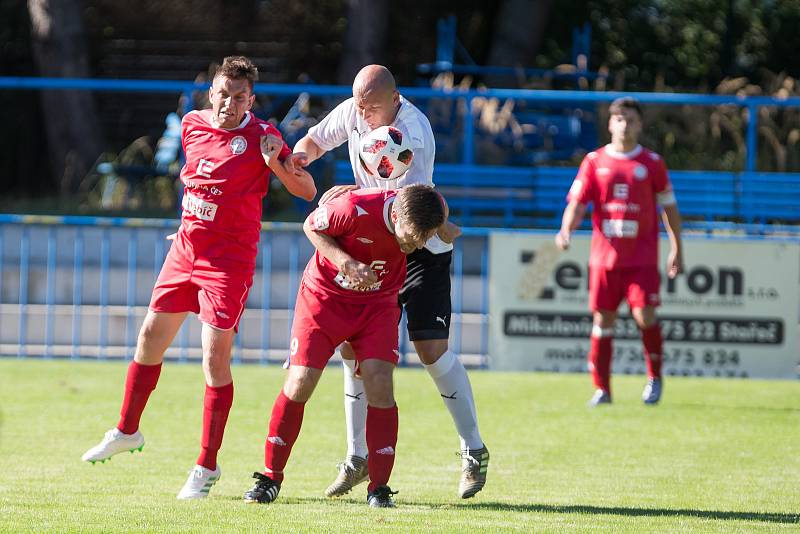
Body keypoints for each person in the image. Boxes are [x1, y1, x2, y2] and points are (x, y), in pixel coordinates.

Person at [81, 56, 316, 499]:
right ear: (212, 92)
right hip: (185, 249)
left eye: (240, 96)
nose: (229, 103)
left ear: (251, 99)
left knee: (214, 358)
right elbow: (199, 184)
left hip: (228, 263)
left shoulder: (264, 136)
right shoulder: (192, 124)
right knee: (150, 337)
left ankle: (207, 466)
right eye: (223, 93)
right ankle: (127, 430)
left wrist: (276, 164)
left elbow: (307, 191)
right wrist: (191, 222)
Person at [287, 64, 489, 499]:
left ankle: (473, 449)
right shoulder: (356, 110)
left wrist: (346, 190)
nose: (364, 114)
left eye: (372, 107)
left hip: (416, 245)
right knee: (350, 348)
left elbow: (408, 212)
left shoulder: (413, 131)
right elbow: (317, 139)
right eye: (360, 104)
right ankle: (358, 456)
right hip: (370, 241)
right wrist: (300, 157)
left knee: (431, 352)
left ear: (395, 99)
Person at [242, 184, 446, 508]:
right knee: (300, 383)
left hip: (378, 304)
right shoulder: (353, 207)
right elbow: (311, 224)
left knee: (380, 383)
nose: (418, 243)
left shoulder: (422, 210)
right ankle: (270, 478)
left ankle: (379, 489)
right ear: (396, 215)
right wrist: (346, 262)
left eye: (425, 237)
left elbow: (439, 224)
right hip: (324, 301)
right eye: (414, 235)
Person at [555, 96, 684, 407]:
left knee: (645, 315)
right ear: (611, 123)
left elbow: (669, 209)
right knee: (603, 321)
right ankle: (602, 389)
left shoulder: (652, 163)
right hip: (604, 260)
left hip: (641, 259)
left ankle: (654, 378)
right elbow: (577, 203)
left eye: (631, 119)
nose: (625, 124)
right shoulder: (594, 161)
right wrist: (565, 230)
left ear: (640, 125)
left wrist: (677, 248)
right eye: (619, 118)